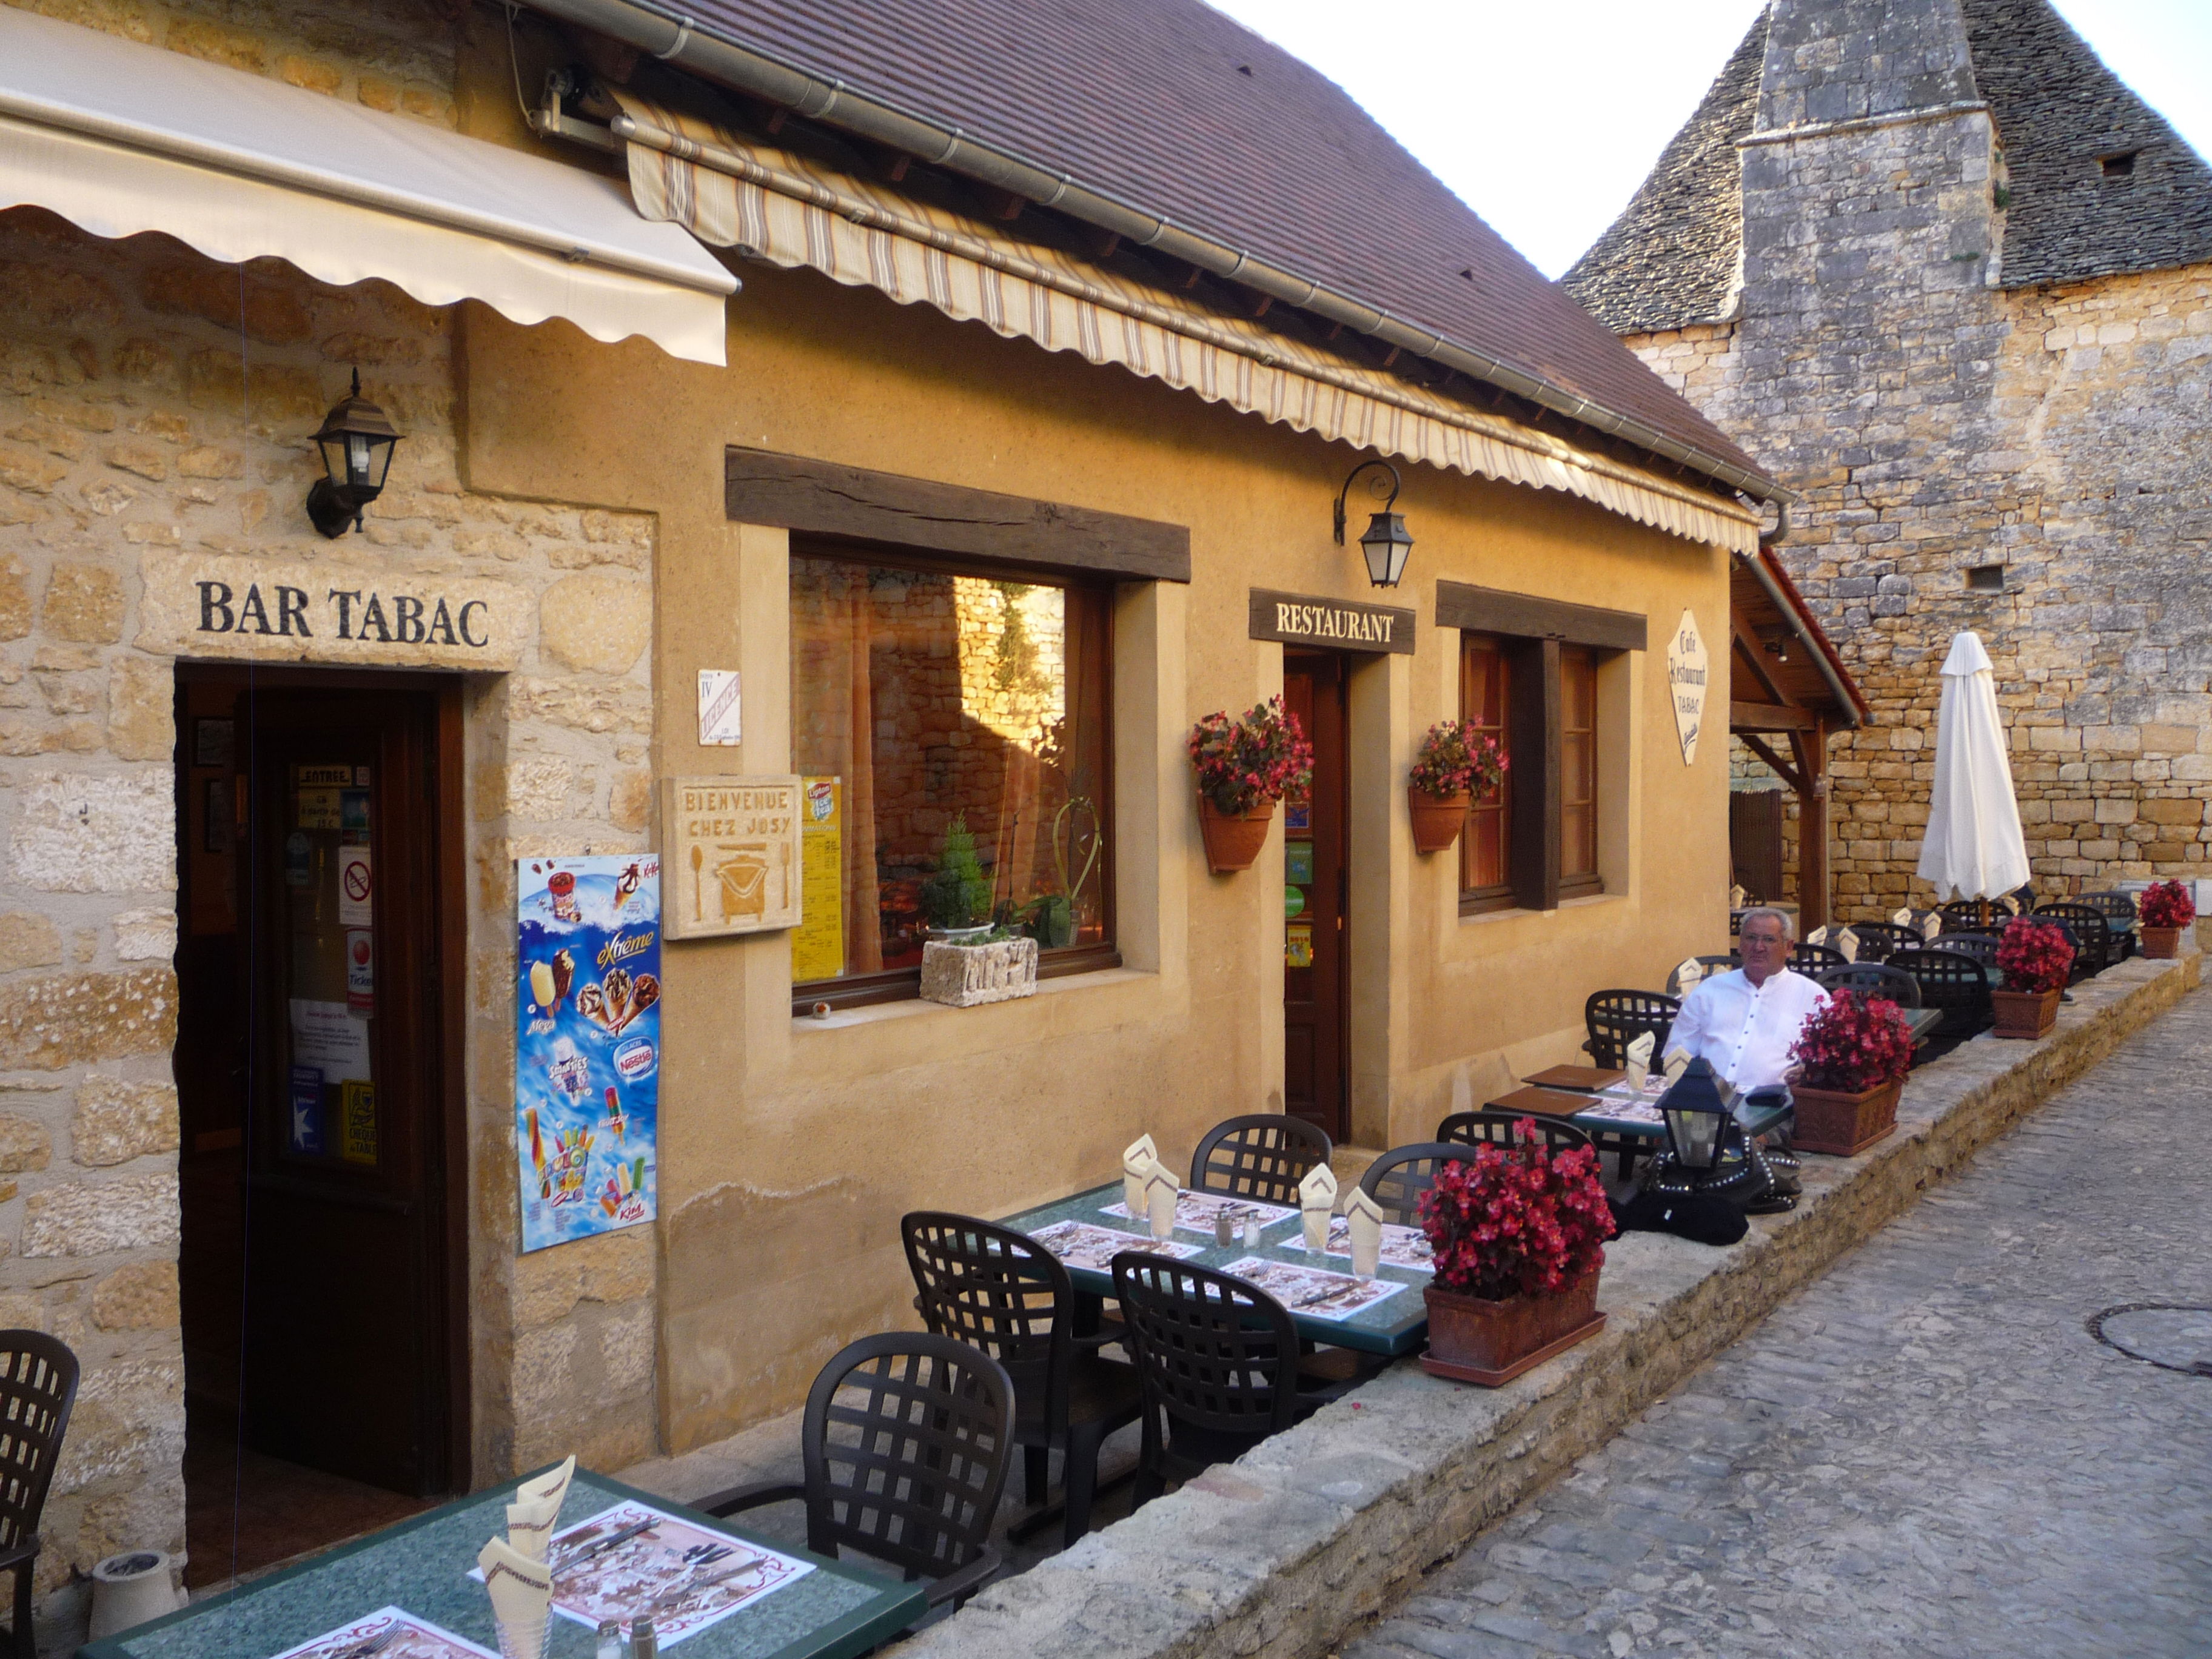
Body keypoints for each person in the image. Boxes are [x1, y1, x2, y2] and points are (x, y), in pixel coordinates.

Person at [1668, 907, 1826, 1091]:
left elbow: (1826, 1066)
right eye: (1751, 938)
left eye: (1769, 939)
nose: (1758, 947)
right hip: (1706, 1101)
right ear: (1740, 945)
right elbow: (1677, 1053)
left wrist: (1808, 1074)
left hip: (1774, 1106)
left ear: (1788, 948)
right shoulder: (1710, 990)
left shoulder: (1813, 997)